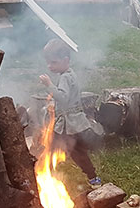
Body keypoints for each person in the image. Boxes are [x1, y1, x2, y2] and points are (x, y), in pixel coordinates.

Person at [39, 39, 101, 186]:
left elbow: (64, 98)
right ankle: (44, 171)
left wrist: (49, 85)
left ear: (65, 60)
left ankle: (92, 177)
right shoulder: (67, 74)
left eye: (53, 62)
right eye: (48, 62)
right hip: (68, 123)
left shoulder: (66, 77)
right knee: (61, 147)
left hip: (70, 124)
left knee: (75, 151)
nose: (50, 66)